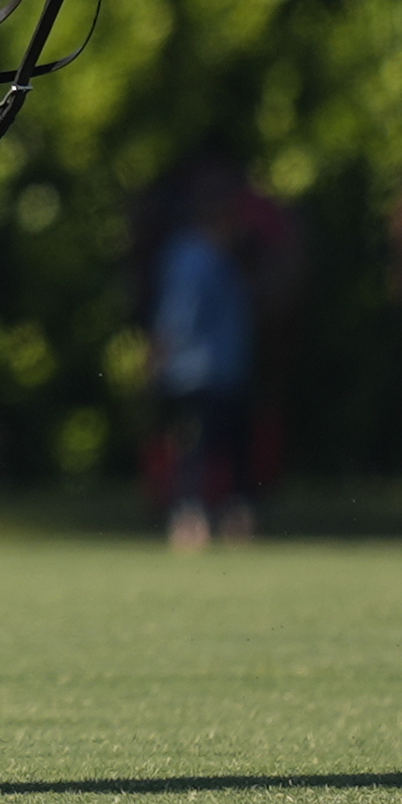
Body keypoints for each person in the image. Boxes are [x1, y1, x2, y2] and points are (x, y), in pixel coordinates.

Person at [150, 186, 256, 549]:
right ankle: (190, 521)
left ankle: (229, 519)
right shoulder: (194, 258)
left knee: (225, 448)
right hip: (195, 372)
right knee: (196, 451)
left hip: (224, 371)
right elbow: (178, 317)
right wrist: (161, 360)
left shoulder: (220, 257)